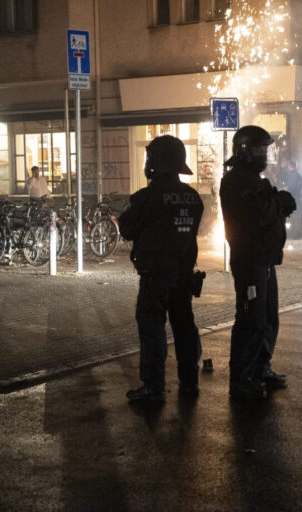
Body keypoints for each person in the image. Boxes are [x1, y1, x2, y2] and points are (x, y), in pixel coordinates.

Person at [118, 135, 204, 403]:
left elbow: (127, 228)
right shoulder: (192, 197)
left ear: (156, 161)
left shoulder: (148, 197)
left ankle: (153, 386)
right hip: (183, 273)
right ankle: (189, 380)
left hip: (156, 274)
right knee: (184, 326)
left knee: (152, 328)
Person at [220, 125, 296, 400]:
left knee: (267, 318)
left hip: (263, 260)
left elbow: (267, 206)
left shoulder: (254, 179)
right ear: (243, 150)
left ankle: (260, 368)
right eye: (258, 149)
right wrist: (280, 201)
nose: (263, 154)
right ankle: (242, 377)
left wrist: (277, 201)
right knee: (250, 320)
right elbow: (260, 212)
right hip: (249, 261)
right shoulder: (236, 180)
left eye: (265, 149)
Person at [282, 158, 302, 238]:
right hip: (297, 197)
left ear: (290, 166)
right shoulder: (299, 175)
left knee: (293, 215)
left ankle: (295, 233)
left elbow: (290, 186)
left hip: (293, 198)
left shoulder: (292, 175)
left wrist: (285, 188)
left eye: (288, 165)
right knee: (297, 215)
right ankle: (297, 232)